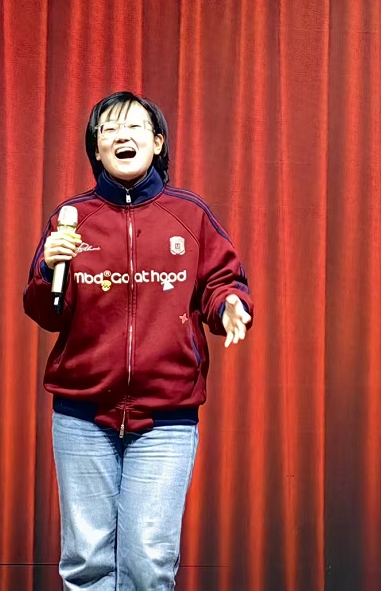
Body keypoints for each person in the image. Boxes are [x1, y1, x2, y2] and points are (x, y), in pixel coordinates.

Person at [23, 91, 253, 590]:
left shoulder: (189, 215)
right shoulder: (71, 218)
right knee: (86, 561)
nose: (121, 136)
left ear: (157, 142)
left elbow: (221, 282)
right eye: (108, 130)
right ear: (96, 149)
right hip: (82, 414)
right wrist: (47, 268)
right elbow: (46, 312)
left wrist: (229, 306)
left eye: (133, 127)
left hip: (166, 416)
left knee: (148, 562)